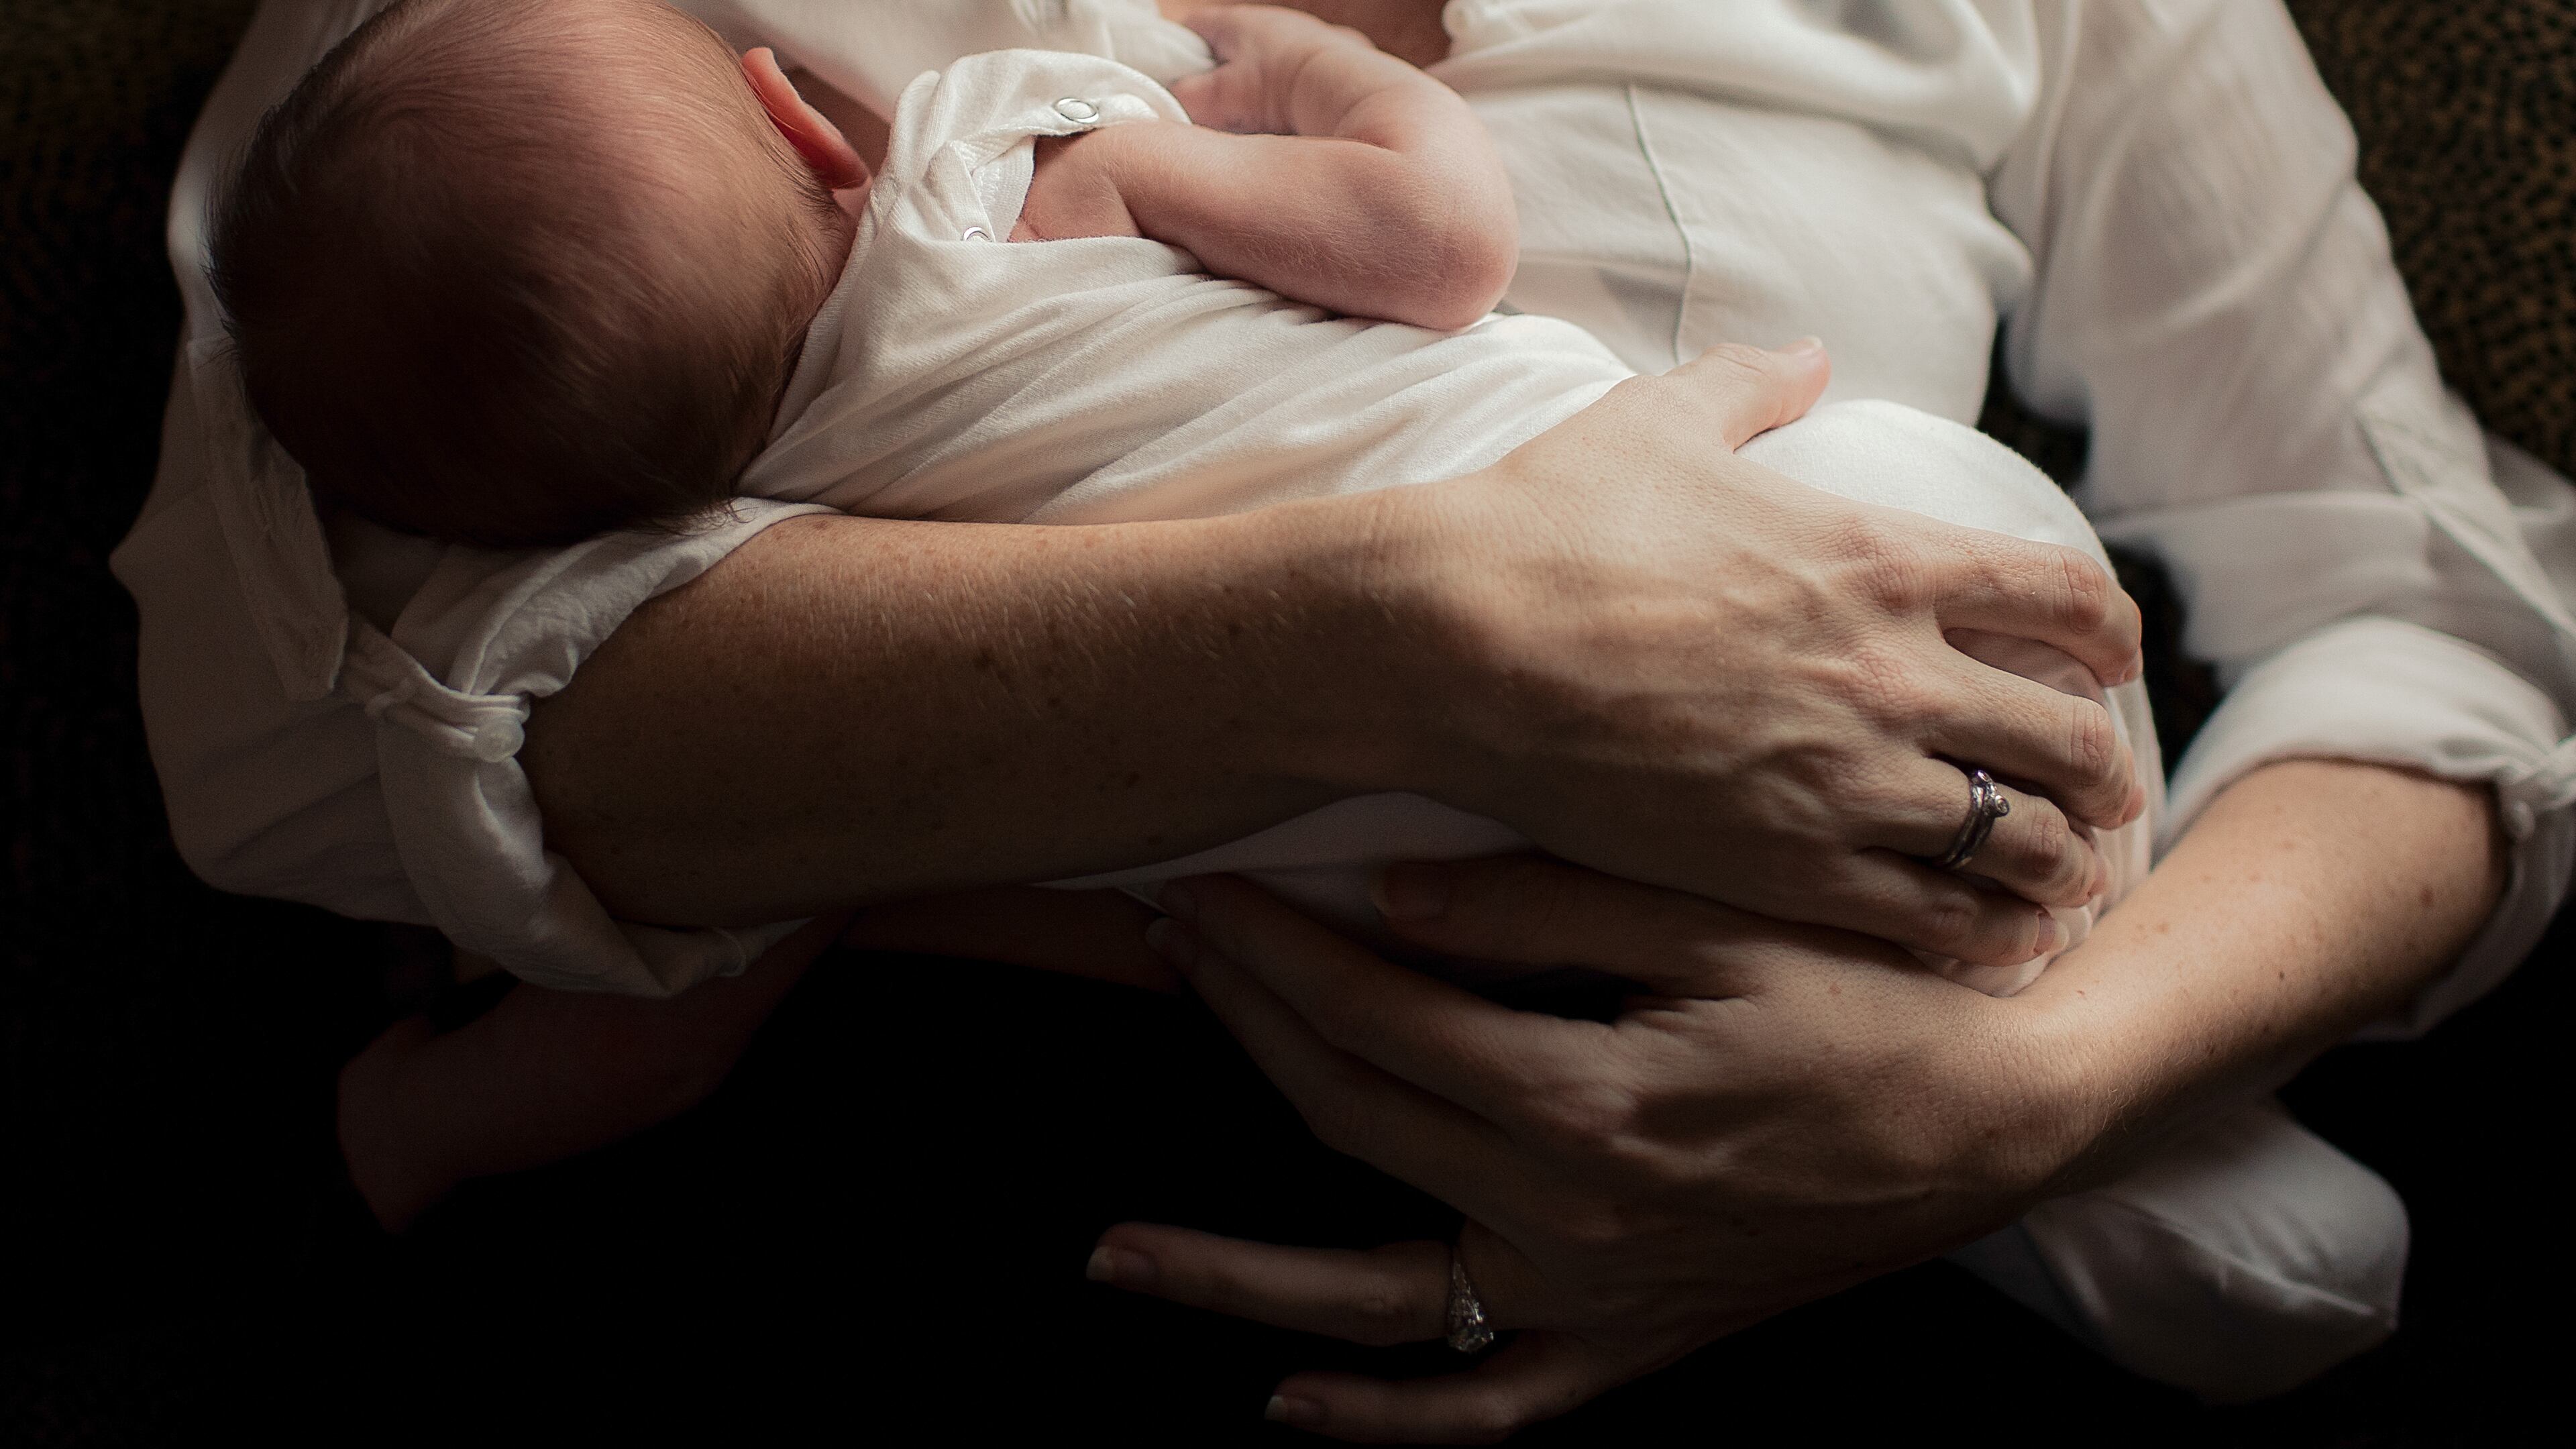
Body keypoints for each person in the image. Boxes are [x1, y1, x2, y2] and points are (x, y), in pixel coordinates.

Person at [115, 0, 2576, 1435]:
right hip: (907, 1154)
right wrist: (1402, 624)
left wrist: (2023, 1102)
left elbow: (2452, 627)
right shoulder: (506, 81)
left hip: (1806, 1112)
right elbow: (273, 744)